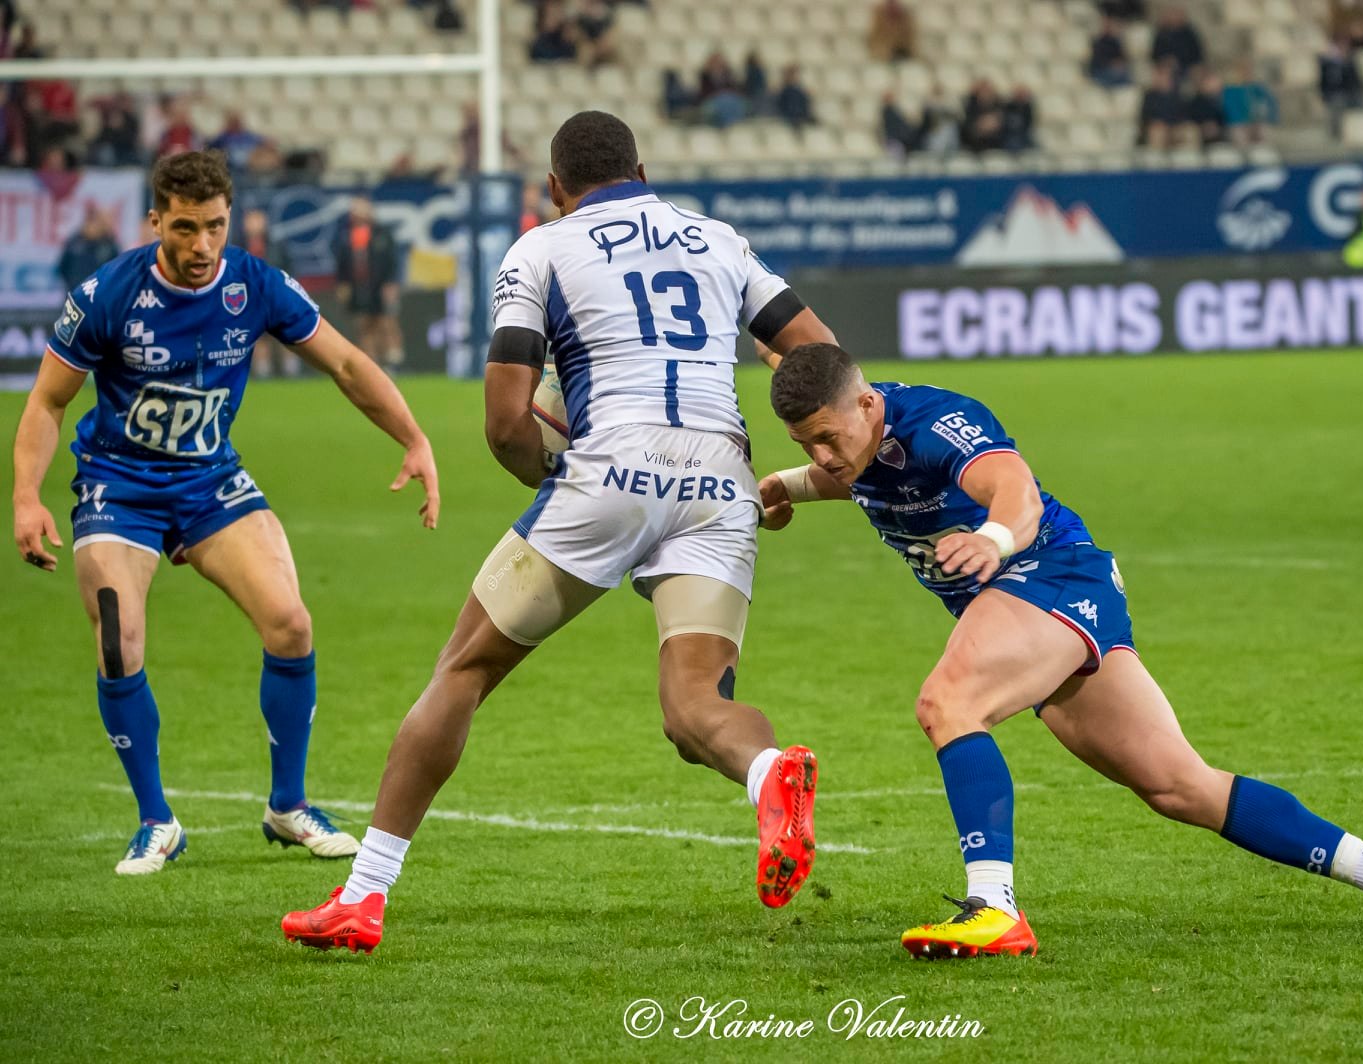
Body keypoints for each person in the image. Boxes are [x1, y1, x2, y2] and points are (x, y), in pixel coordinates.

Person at [281, 111, 839, 954]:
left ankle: (362, 898)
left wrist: (570, 478)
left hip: (609, 466)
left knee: (463, 670)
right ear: (642, 171)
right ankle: (768, 774)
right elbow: (818, 356)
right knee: (693, 711)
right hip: (719, 478)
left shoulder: (540, 248)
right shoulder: (718, 239)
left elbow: (507, 423)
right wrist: (795, 471)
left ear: (553, 187)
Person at [755, 342, 1363, 957]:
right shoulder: (855, 443)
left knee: (949, 701)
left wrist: (992, 539)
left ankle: (993, 907)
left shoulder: (938, 423)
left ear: (868, 403)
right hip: (1043, 605)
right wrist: (785, 487)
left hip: (1050, 574)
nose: (820, 454)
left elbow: (1015, 492)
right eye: (802, 443)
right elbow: (855, 478)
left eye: (824, 436)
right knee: (1178, 786)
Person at [10, 149, 441, 876]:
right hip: (121, 484)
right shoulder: (108, 293)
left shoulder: (254, 284)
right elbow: (48, 400)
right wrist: (25, 496)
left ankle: (288, 806)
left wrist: (414, 437)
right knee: (119, 637)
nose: (202, 245)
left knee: (291, 623)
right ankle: (155, 820)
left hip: (211, 480)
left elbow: (344, 363)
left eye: (214, 226)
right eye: (184, 227)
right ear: (155, 221)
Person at [334, 195, 404, 373]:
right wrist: (343, 284)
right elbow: (342, 263)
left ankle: (393, 360)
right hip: (359, 287)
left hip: (380, 286)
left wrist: (391, 283)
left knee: (385, 322)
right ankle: (372, 365)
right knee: (364, 325)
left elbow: (392, 261)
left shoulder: (382, 234)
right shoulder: (346, 236)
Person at [238, 208, 299, 378]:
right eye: (251, 221)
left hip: (275, 299)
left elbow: (289, 271)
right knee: (257, 338)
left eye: (258, 220)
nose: (254, 225)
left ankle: (292, 372)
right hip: (250, 302)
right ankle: (262, 373)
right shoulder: (238, 249)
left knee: (285, 335)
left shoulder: (276, 245)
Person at [56, 207, 120, 291]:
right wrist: (71, 284)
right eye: (91, 222)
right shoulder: (74, 242)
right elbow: (62, 267)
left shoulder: (109, 244)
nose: (93, 227)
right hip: (75, 291)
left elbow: (117, 269)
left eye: (97, 223)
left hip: (100, 294)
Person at [1088, 18, 1132, 88]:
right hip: (1100, 70)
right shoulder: (1097, 42)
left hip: (1114, 71)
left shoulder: (1115, 42)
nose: (1108, 28)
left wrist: (1119, 63)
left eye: (1110, 25)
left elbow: (1121, 56)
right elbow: (1096, 59)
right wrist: (1111, 64)